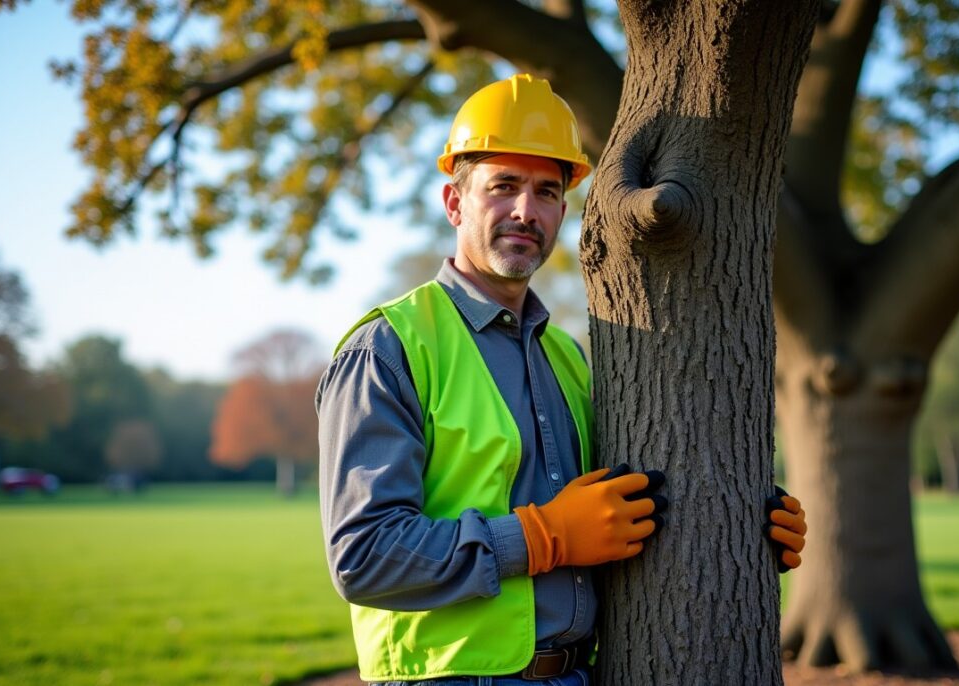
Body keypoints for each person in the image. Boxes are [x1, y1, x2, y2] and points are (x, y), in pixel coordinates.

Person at [316, 73, 807, 685]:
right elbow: (365, 557)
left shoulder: (568, 358)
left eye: (547, 192)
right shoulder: (388, 349)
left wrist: (743, 532)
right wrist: (543, 536)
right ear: (454, 203)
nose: (526, 211)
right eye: (503, 186)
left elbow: (616, 515)